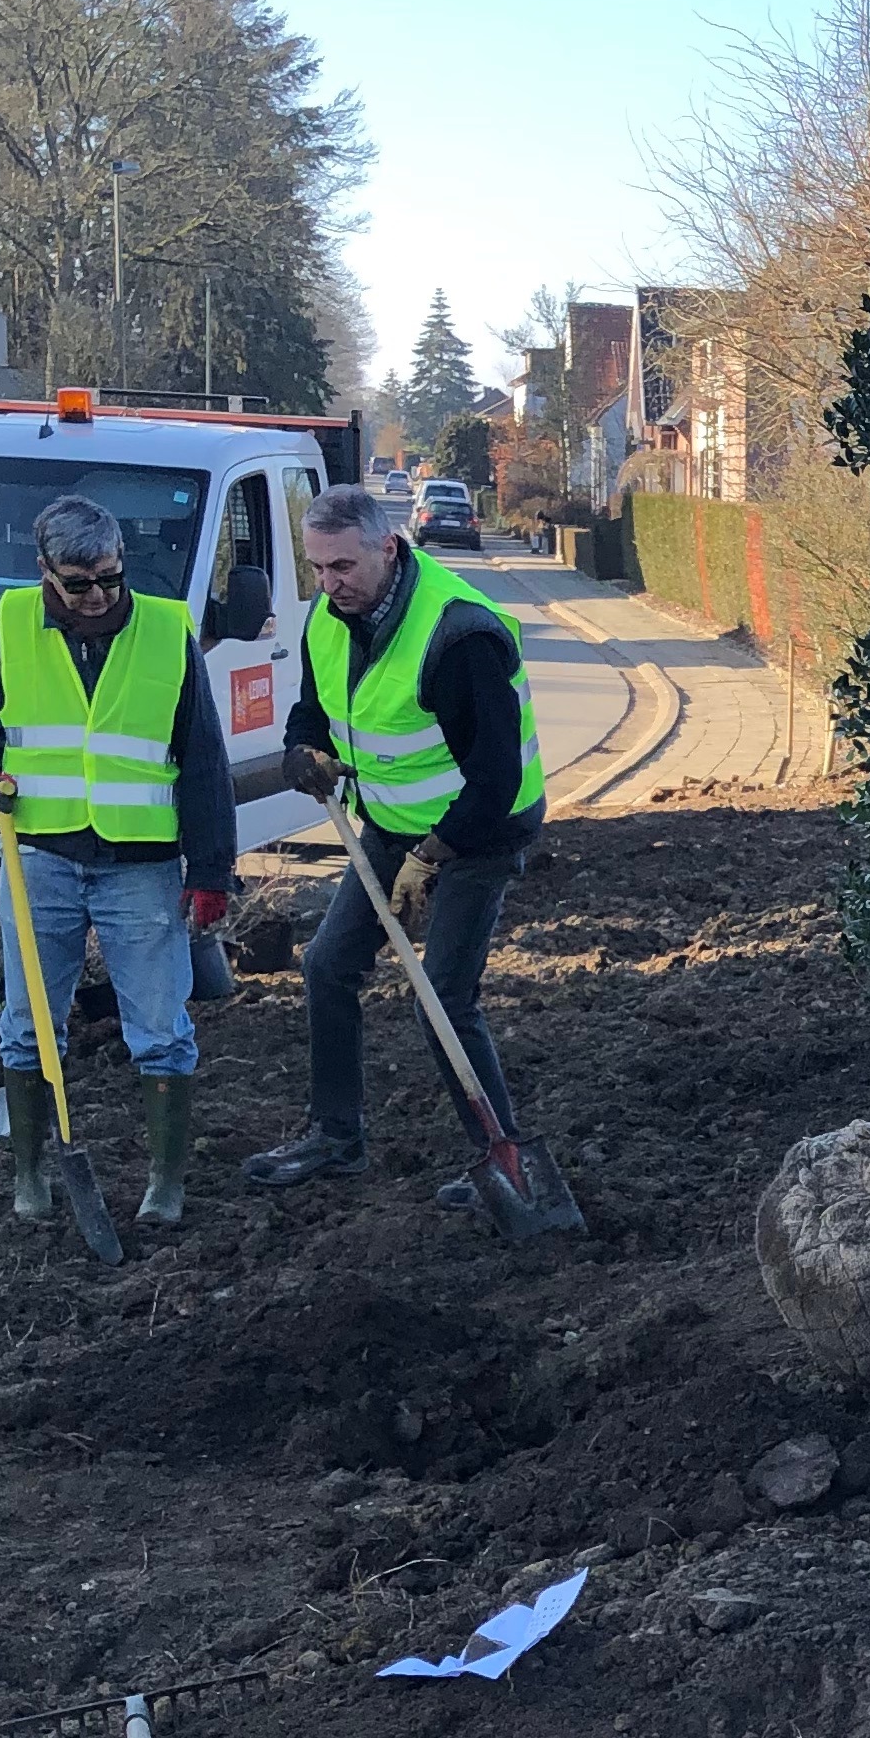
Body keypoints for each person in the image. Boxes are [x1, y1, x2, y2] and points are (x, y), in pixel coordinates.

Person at [0, 495, 235, 1228]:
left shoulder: (166, 631)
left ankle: (165, 1185)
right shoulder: (7, 627)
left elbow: (202, 759)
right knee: (28, 1024)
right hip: (39, 851)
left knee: (160, 1027)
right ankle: (30, 1177)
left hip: (141, 863)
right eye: (80, 582)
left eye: (109, 577)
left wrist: (212, 871)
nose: (98, 595)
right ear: (44, 574)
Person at [243, 485, 544, 1206]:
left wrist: (431, 855)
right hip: (389, 823)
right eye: (317, 568)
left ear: (387, 547)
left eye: (343, 565)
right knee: (326, 964)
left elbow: (496, 777)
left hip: (483, 829)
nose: (330, 583)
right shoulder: (326, 617)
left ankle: (503, 1158)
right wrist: (300, 753)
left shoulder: (458, 633)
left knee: (442, 996)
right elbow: (311, 712)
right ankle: (336, 1136)